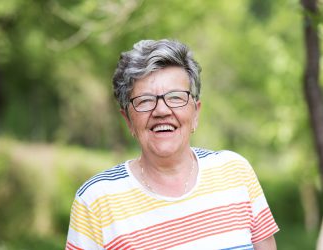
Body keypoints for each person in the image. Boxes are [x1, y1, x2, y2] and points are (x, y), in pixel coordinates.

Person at [65, 39, 279, 250]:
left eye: (176, 97)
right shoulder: (96, 201)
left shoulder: (235, 172)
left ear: (196, 112)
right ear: (128, 120)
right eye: (145, 100)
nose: (161, 111)